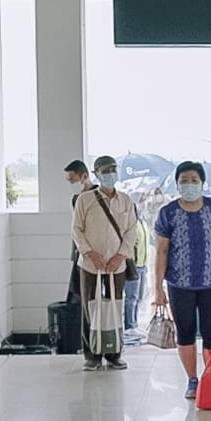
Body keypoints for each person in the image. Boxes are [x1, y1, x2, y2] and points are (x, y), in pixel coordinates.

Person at [153, 161, 211, 398]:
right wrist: (157, 287)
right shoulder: (168, 213)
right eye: (184, 181)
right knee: (185, 332)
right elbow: (161, 251)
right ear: (177, 184)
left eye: (194, 180)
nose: (189, 185)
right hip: (180, 284)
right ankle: (193, 380)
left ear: (202, 183)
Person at [71, 155, 138, 371]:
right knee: (89, 307)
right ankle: (92, 355)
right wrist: (90, 253)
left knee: (115, 306)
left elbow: (131, 230)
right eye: (105, 170)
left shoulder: (126, 200)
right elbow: (76, 230)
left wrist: (121, 255)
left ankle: (114, 353)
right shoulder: (85, 199)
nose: (110, 174)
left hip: (116, 265)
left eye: (113, 169)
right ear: (96, 174)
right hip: (90, 264)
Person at [64, 159, 95, 303]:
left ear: (84, 176)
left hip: (96, 250)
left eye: (72, 180)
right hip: (80, 251)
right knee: (78, 291)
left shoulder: (97, 195)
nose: (70, 184)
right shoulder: (75, 198)